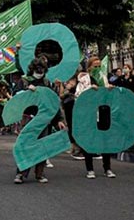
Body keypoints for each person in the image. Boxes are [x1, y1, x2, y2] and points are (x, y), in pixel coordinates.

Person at [13, 56, 66, 184]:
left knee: (43, 146)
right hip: (28, 118)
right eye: (37, 69)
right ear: (32, 69)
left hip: (44, 119)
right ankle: (21, 173)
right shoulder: (24, 81)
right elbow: (15, 97)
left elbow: (53, 102)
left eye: (42, 70)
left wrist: (59, 119)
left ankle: (40, 174)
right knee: (25, 145)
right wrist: (26, 91)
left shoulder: (47, 83)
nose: (39, 72)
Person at [76, 56, 117, 179]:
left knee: (105, 139)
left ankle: (107, 168)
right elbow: (78, 95)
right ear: (89, 67)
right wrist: (89, 90)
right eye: (95, 66)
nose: (98, 68)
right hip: (90, 114)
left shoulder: (103, 79)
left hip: (103, 112)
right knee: (89, 139)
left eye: (99, 66)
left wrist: (109, 90)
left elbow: (108, 97)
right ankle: (90, 169)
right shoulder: (84, 80)